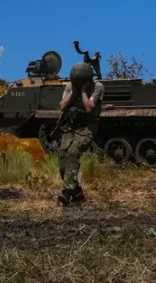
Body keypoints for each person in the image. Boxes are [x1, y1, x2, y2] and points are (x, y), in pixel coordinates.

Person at [56, 62, 105, 206]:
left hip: (87, 127)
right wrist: (74, 91)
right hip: (70, 127)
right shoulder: (70, 87)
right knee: (62, 160)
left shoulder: (98, 87)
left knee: (73, 152)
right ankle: (77, 194)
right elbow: (62, 106)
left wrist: (83, 91)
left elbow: (89, 108)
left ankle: (66, 192)